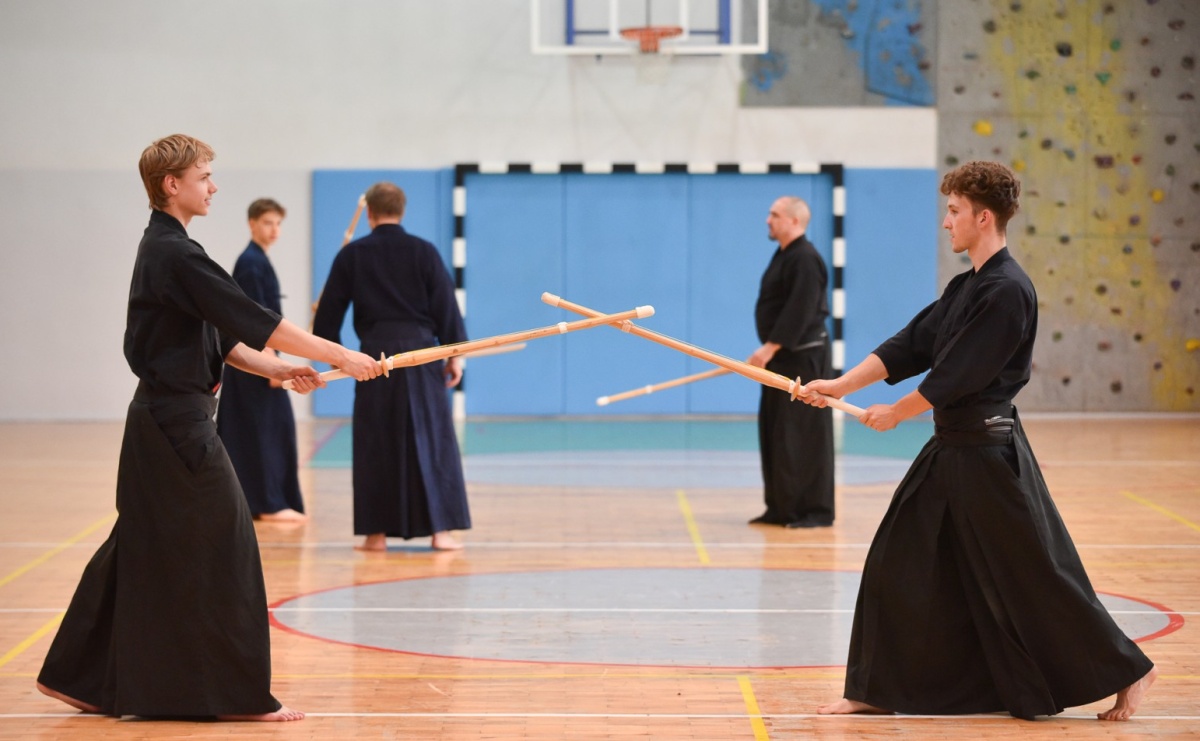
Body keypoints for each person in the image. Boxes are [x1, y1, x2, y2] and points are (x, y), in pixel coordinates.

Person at [36, 134, 382, 722]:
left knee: (138, 543)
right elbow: (261, 320)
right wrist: (338, 354)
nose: (214, 186)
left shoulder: (170, 251)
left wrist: (286, 370)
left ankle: (80, 677)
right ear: (173, 185)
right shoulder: (174, 253)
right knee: (230, 545)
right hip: (176, 424)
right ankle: (241, 695)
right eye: (204, 176)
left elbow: (230, 341)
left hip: (162, 420)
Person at [794, 161, 1156, 721]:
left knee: (1036, 576)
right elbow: (910, 344)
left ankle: (1131, 669)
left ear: (983, 217)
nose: (946, 223)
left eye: (955, 211)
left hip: (989, 455)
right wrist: (839, 385)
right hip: (951, 450)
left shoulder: (1009, 291)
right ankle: (875, 689)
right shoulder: (968, 286)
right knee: (897, 563)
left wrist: (898, 412)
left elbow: (956, 376)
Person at [312, 182, 471, 552]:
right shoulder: (425, 252)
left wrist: (336, 358)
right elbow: (447, 309)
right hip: (422, 355)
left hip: (373, 358)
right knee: (431, 438)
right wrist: (454, 357)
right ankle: (441, 532)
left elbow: (327, 323)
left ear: (369, 213)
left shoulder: (351, 256)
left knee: (375, 441)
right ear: (401, 210)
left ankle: (376, 534)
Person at [745, 196, 835, 528]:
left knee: (802, 435)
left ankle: (812, 510)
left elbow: (800, 308)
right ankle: (781, 507)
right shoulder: (785, 256)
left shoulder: (806, 259)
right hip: (782, 358)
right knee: (776, 432)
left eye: (775, 214)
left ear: (795, 221)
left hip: (803, 359)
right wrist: (770, 352)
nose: (768, 220)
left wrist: (768, 348)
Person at [216, 198, 306, 521]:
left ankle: (262, 501)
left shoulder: (258, 261)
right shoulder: (251, 264)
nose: (274, 230)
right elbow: (251, 321)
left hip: (261, 360)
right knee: (263, 430)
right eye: (268, 222)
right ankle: (268, 503)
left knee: (264, 429)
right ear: (252, 223)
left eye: (278, 224)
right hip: (256, 363)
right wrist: (272, 365)